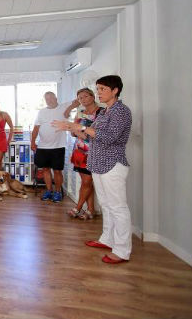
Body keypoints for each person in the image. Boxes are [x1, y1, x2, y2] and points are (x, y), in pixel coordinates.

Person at [52, 75, 132, 264]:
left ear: (115, 90)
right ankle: (107, 239)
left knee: (118, 207)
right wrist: (71, 129)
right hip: (98, 163)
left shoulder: (120, 111)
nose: (99, 93)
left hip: (113, 164)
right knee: (105, 204)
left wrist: (79, 126)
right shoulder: (104, 113)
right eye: (98, 89)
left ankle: (122, 250)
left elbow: (109, 137)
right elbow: (91, 137)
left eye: (103, 89)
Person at [31, 92, 79, 203]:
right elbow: (36, 129)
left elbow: (77, 101)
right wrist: (32, 142)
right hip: (43, 146)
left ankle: (57, 192)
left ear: (56, 98)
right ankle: (49, 190)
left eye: (51, 98)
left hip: (58, 146)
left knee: (57, 171)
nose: (49, 100)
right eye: (47, 99)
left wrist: (70, 108)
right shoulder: (41, 112)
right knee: (45, 169)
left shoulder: (63, 106)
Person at [67, 88, 103, 220]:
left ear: (92, 97)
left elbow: (97, 135)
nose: (82, 100)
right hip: (79, 151)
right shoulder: (80, 112)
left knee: (87, 181)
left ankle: (78, 207)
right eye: (80, 98)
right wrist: (77, 132)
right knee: (86, 182)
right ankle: (91, 210)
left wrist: (79, 132)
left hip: (93, 152)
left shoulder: (101, 112)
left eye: (85, 96)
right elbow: (72, 131)